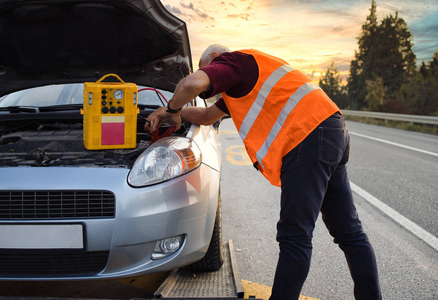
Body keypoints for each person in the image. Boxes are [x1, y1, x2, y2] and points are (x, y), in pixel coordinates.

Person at [145, 44, 382, 300]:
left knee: (295, 236)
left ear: (215, 59)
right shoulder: (244, 81)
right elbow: (205, 115)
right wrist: (175, 114)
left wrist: (170, 107)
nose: (210, 89)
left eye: (209, 70)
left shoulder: (234, 62)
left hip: (307, 136)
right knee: (349, 233)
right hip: (332, 129)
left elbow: (191, 84)